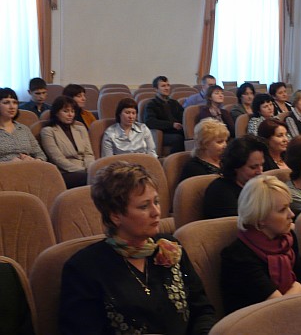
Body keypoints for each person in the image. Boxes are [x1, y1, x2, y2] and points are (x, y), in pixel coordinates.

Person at [59, 162, 216, 334]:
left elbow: (202, 310)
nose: (156, 212)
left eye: (156, 202)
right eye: (144, 206)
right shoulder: (84, 268)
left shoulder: (169, 247)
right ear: (115, 215)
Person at [220, 175, 301, 314]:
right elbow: (278, 308)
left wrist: (296, 290)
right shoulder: (239, 256)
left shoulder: (286, 239)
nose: (291, 214)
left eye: (289, 206)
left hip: (293, 314)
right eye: (282, 210)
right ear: (261, 218)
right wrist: (297, 287)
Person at [203, 135, 268, 219]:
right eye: (253, 167)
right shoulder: (220, 192)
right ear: (236, 166)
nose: (260, 171)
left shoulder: (259, 185)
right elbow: (238, 224)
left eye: (261, 165)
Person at [41, 95, 94, 188]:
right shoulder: (48, 131)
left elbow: (89, 154)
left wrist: (89, 169)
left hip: (86, 169)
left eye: (72, 111)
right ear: (56, 113)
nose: (70, 115)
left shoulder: (81, 129)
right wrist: (82, 171)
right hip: (65, 171)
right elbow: (57, 159)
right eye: (66, 111)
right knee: (92, 179)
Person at [0, 87, 47, 162]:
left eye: (15, 103)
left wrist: (35, 160)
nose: (12, 107)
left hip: (29, 166)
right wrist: (8, 162)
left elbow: (40, 154)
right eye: (6, 102)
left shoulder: (23, 129)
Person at [143, 76, 185, 153]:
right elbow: (150, 122)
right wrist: (172, 125)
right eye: (163, 86)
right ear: (156, 89)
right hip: (162, 133)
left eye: (168, 85)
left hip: (176, 130)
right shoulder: (151, 104)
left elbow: (183, 116)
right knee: (178, 138)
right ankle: (174, 159)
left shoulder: (174, 103)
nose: (167, 88)